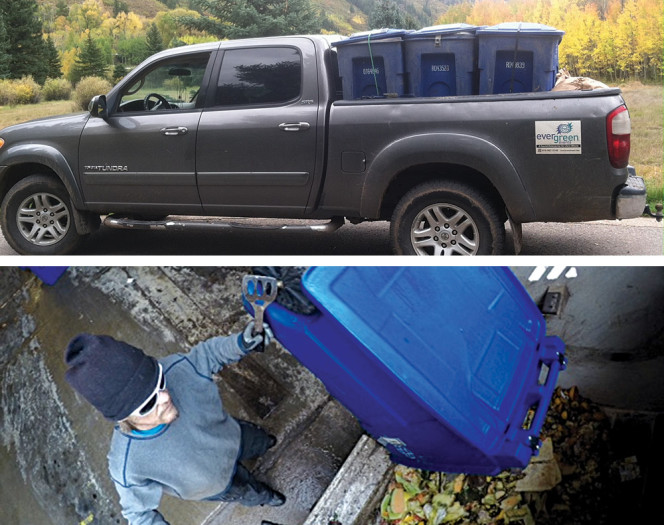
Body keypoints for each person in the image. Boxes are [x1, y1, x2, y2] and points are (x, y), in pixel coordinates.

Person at [64, 321, 285, 525]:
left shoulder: (175, 369)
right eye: (149, 403)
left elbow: (207, 354)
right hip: (214, 485)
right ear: (123, 417)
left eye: (159, 381)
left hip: (234, 436)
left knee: (257, 440)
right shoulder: (126, 465)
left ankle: (265, 442)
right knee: (247, 492)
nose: (165, 396)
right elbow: (139, 515)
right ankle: (266, 496)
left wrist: (240, 343)